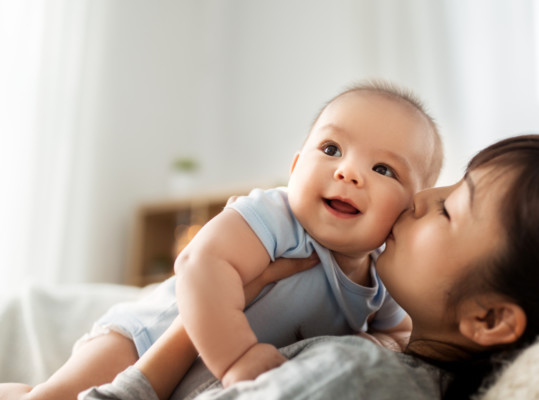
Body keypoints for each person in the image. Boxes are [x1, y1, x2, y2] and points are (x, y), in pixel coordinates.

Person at [77, 134, 539, 400]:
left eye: (450, 210)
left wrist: (216, 308)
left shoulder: (352, 380)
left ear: (489, 318)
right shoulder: (388, 346)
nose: (418, 199)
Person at [0, 81, 444, 400]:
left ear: (411, 208)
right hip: (147, 338)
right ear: (294, 169)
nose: (347, 172)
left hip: (200, 380)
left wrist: (380, 344)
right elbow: (201, 264)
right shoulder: (275, 216)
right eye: (331, 149)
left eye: (383, 170)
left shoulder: (381, 277)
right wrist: (237, 357)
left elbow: (399, 331)